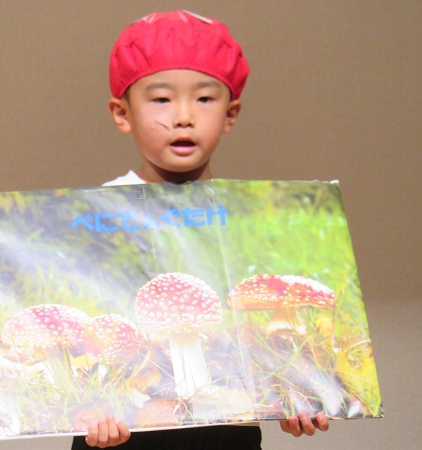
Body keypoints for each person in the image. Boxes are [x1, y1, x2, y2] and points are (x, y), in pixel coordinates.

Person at [71, 10, 329, 449]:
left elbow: (253, 332)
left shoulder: (246, 220)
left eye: (205, 99)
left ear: (230, 114)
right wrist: (94, 406)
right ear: (122, 113)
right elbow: (90, 317)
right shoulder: (93, 215)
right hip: (122, 437)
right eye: (161, 99)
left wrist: (291, 396)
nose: (184, 116)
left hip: (225, 434)